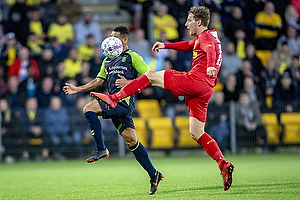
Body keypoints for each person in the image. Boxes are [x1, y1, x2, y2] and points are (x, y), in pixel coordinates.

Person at [91, 6, 234, 191]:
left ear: (199, 22)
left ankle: (115, 98)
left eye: (189, 20)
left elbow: (210, 51)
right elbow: (189, 45)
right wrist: (166, 45)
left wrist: (211, 66)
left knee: (150, 76)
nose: (186, 23)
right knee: (197, 132)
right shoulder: (209, 36)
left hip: (196, 80)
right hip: (206, 89)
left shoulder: (206, 38)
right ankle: (223, 164)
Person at [63, 26, 163, 195]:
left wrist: (129, 84)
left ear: (124, 40)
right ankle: (154, 174)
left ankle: (101, 148)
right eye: (110, 36)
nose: (111, 40)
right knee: (132, 142)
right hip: (113, 103)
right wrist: (77, 89)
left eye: (115, 37)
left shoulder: (132, 57)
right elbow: (97, 81)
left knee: (88, 108)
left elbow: (150, 76)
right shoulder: (107, 60)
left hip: (123, 102)